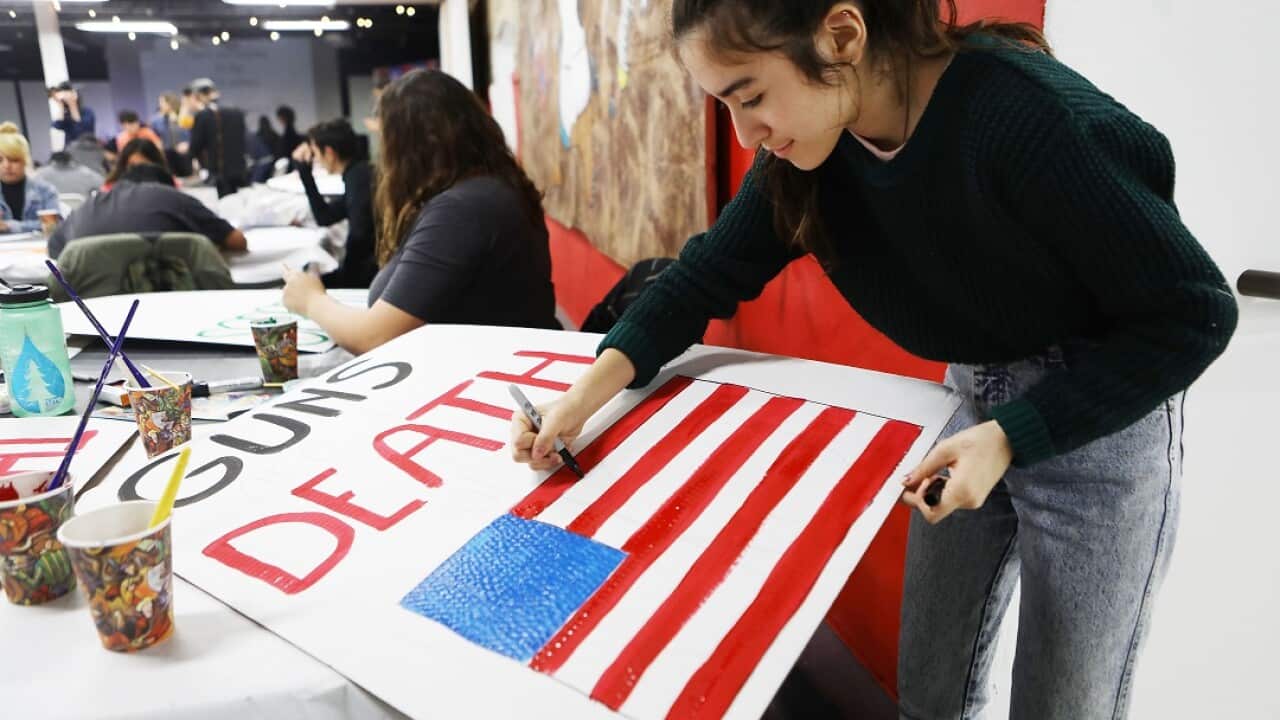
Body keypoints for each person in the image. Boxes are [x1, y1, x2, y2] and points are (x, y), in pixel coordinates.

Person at [509, 3, 1238, 719]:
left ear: (843, 34)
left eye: (752, 97)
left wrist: (1015, 433)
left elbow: (1194, 310)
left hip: (1100, 409)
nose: (748, 133)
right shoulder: (815, 147)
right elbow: (705, 274)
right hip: (970, 397)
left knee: (1065, 704)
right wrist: (583, 398)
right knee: (927, 685)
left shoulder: (1028, 119)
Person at [281, 69, 559, 355]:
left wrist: (311, 299)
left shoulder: (462, 210)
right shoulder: (486, 190)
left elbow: (374, 338)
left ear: (409, 146)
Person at [49, 155, 245, 259]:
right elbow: (237, 241)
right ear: (164, 185)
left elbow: (55, 251)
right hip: (173, 304)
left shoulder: (84, 209)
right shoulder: (171, 197)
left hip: (95, 316)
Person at [290, 118, 376, 288]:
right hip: (368, 271)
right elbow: (325, 217)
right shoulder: (359, 173)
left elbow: (360, 237)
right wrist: (305, 174)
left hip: (367, 278)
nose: (314, 160)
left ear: (329, 152)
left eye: (315, 153)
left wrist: (342, 277)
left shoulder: (359, 179)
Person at [187, 78, 248, 197]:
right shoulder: (236, 112)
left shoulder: (204, 115)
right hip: (240, 171)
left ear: (199, 96)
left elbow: (196, 146)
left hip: (220, 174)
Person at [0, 123, 60, 234]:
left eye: (13, 159)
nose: (6, 166)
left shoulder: (45, 191)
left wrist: (9, 226)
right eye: (0, 160)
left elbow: (54, 226)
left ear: (25, 161)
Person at [101, 138, 175, 192]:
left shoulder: (169, 187)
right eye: (133, 166)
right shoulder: (110, 190)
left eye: (144, 166)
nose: (138, 171)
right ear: (124, 165)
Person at [32, 150, 104, 198]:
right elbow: (104, 185)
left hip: (52, 217)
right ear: (71, 161)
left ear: (52, 161)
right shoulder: (87, 174)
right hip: (80, 216)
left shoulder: (40, 174)